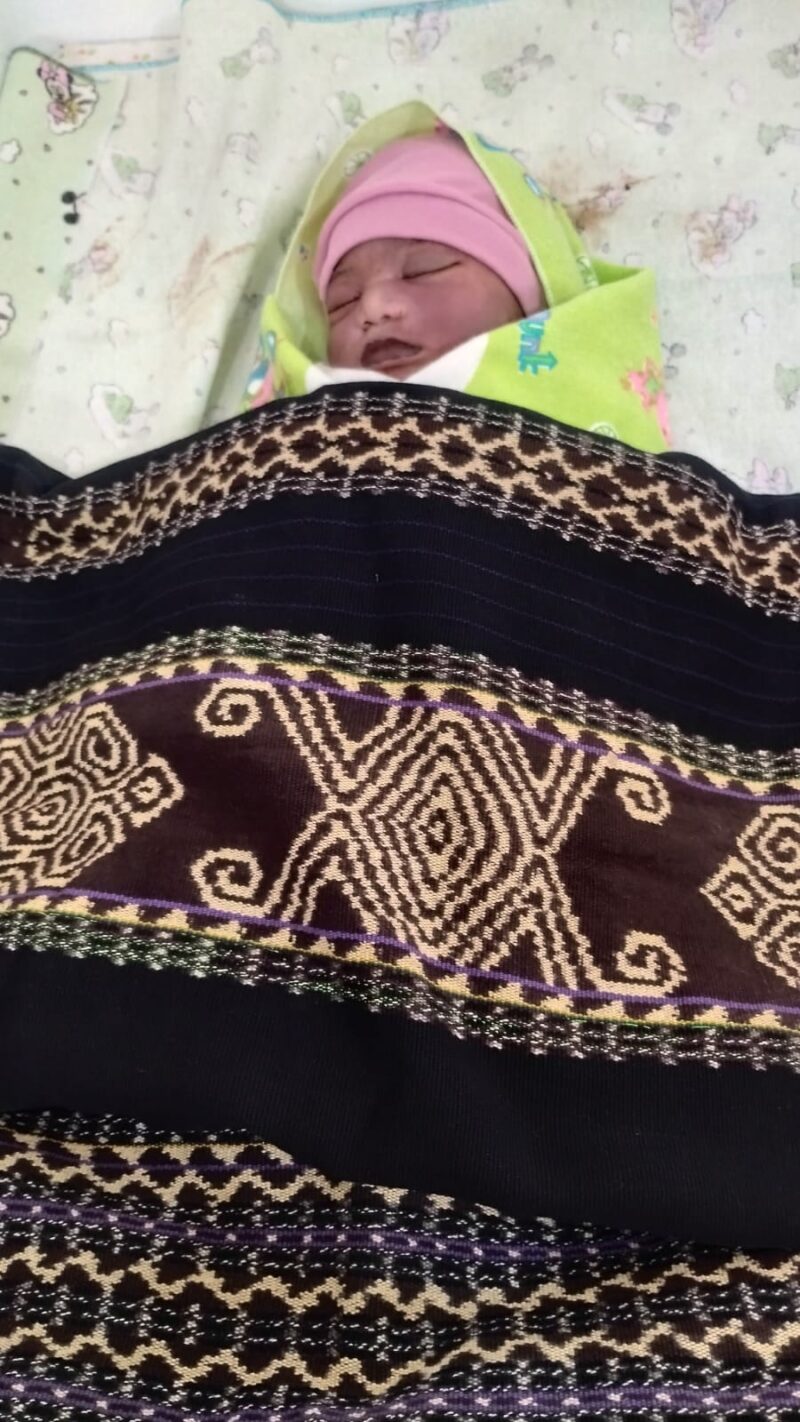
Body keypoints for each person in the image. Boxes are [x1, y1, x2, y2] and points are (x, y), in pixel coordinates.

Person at [244, 101, 671, 453]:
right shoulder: (291, 429)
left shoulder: (591, 432)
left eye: (424, 269)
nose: (372, 307)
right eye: (343, 300)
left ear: (530, 303)